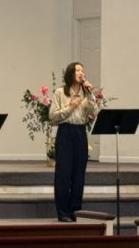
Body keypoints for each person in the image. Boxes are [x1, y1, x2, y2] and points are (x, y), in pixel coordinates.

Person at [49, 61, 98, 222]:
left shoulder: (86, 93)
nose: (81, 73)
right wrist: (70, 107)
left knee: (79, 174)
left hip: (80, 133)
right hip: (65, 132)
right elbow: (53, 116)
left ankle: (75, 210)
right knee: (63, 174)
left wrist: (90, 93)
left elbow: (94, 111)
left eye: (82, 70)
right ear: (70, 73)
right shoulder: (60, 92)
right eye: (77, 70)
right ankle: (63, 212)